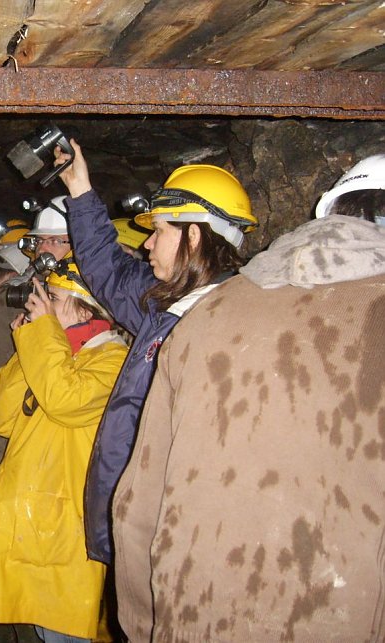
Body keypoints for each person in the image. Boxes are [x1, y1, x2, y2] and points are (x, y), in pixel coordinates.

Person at [111, 152, 385, 640]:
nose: (146, 243)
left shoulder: (204, 317)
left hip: (191, 612)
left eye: (159, 229)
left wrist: (143, 626)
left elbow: (137, 506)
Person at [53, 141, 259, 567]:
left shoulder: (229, 328)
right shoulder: (163, 305)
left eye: (159, 231)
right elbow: (108, 270)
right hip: (132, 523)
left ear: (193, 235)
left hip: (166, 537)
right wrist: (80, 189)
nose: (147, 243)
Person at [0, 263, 128, 643]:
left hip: (66, 529)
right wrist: (28, 346)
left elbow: (64, 399)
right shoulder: (48, 352)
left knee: (62, 633)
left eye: (52, 298)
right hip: (25, 520)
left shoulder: (113, 361)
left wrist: (42, 336)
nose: (38, 305)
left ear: (86, 310)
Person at [0, 204, 74, 489]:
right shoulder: (14, 299)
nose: (44, 249)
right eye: (40, 241)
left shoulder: (103, 302)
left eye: (56, 241)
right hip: (18, 453)